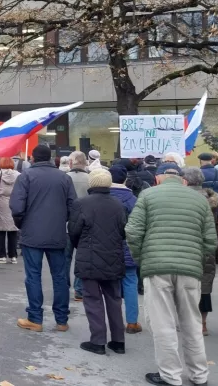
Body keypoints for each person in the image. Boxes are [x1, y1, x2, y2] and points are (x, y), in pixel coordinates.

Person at [125, 162, 216, 386]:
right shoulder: (200, 200)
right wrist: (196, 259)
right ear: (182, 179)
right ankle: (199, 375)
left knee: (162, 323)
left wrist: (142, 259)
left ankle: (170, 375)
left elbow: (133, 232)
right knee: (192, 323)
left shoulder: (147, 196)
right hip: (190, 269)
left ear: (158, 178)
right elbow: (210, 241)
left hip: (157, 267)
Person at [10, 144, 77, 333]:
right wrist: (61, 219)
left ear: (33, 158)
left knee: (33, 276)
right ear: (50, 158)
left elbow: (16, 207)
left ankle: (35, 318)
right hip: (57, 233)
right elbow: (73, 206)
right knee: (60, 277)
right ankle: (61, 320)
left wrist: (22, 224)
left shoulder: (26, 176)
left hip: (32, 233)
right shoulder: (64, 177)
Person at [69, 169, 127, 356]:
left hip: (89, 256)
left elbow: (74, 231)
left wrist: (81, 246)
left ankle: (98, 340)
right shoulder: (118, 204)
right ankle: (118, 341)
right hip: (114, 256)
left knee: (93, 299)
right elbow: (123, 231)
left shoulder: (81, 203)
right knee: (114, 299)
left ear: (91, 183)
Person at [183, 167, 218, 336]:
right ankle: (202, 323)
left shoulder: (182, 198)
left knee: (185, 284)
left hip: (187, 245)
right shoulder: (210, 199)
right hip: (206, 246)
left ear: (184, 180)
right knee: (205, 285)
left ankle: (187, 320)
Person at [107, 165, 142, 334]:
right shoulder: (133, 200)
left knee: (110, 286)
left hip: (107, 247)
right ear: (125, 179)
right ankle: (132, 322)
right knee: (130, 282)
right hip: (128, 246)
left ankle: (114, 322)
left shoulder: (103, 198)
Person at [66, 151, 90, 301]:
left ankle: (63, 286)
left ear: (71, 162)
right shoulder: (90, 179)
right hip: (86, 224)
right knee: (82, 258)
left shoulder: (65, 178)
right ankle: (79, 289)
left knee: (65, 257)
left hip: (67, 223)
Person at [0, 157, 20, 264]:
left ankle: (2, 255)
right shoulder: (18, 175)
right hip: (14, 202)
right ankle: (13, 256)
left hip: (1, 202)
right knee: (13, 229)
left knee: (0, 230)